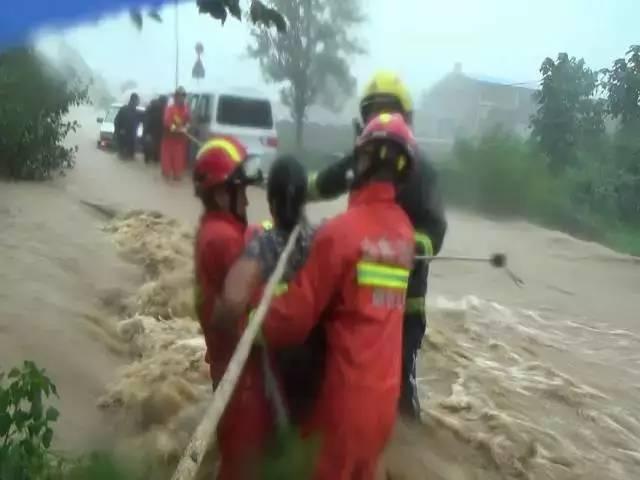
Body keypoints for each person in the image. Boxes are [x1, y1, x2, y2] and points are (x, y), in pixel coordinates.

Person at [239, 113, 417, 480]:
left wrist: (253, 320)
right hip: (386, 402)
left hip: (344, 402)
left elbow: (292, 321)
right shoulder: (404, 233)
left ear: (362, 161)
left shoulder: (340, 234)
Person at [307, 70, 448, 420]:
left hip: (404, 300)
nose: (382, 120)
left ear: (407, 119)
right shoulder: (359, 160)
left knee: (399, 387)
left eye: (390, 111)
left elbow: (434, 229)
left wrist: (403, 246)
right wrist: (290, 188)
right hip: (355, 297)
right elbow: (323, 183)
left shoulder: (422, 171)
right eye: (375, 112)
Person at [216, 155, 324, 425]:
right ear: (304, 200)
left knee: (278, 424)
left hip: (276, 355)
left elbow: (231, 304)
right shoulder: (325, 239)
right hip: (319, 352)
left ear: (271, 201)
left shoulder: (262, 244)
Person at [192, 136, 273, 480]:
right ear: (223, 193)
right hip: (243, 376)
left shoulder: (216, 231)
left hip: (231, 367)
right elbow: (259, 295)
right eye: (242, 190)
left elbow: (250, 239)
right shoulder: (224, 240)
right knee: (242, 466)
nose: (246, 198)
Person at [161, 86, 191, 180]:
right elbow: (167, 122)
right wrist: (176, 129)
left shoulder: (186, 109)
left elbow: (189, 121)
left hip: (180, 142)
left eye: (183, 96)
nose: (181, 98)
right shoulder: (170, 109)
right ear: (175, 97)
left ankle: (176, 176)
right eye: (179, 96)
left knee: (178, 174)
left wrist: (186, 127)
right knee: (166, 172)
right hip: (168, 140)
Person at [114, 92, 140, 160]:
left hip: (131, 140)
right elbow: (116, 121)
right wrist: (119, 131)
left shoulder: (136, 112)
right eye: (138, 100)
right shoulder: (124, 109)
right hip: (124, 138)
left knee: (128, 158)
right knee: (123, 157)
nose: (138, 102)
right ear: (134, 101)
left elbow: (136, 125)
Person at [143, 94, 168, 163]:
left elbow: (145, 117)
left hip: (148, 129)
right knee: (157, 146)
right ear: (163, 101)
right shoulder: (162, 109)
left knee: (148, 145)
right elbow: (164, 120)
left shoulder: (150, 106)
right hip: (158, 130)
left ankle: (147, 159)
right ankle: (155, 159)